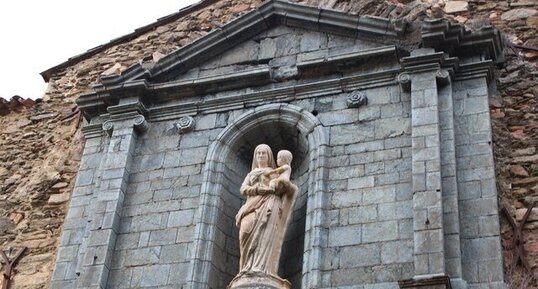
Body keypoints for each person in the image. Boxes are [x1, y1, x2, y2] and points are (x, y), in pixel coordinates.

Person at [231, 144, 298, 286]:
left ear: (269, 156)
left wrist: (276, 184)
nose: (261, 156)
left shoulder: (273, 172)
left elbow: (283, 185)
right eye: (258, 153)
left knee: (265, 235)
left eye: (264, 153)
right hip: (250, 206)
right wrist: (256, 189)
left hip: (269, 205)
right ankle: (245, 268)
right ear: (255, 156)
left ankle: (262, 269)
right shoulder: (251, 174)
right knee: (245, 233)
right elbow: (243, 189)